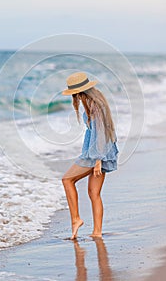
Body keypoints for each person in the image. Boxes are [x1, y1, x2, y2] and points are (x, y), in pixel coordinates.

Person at [62, 71, 118, 239]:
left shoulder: (94, 104)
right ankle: (97, 232)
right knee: (94, 193)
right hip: (102, 152)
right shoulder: (97, 101)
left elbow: (100, 133)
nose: (74, 98)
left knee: (67, 180)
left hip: (97, 154)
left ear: (79, 92)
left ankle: (76, 219)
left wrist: (98, 160)